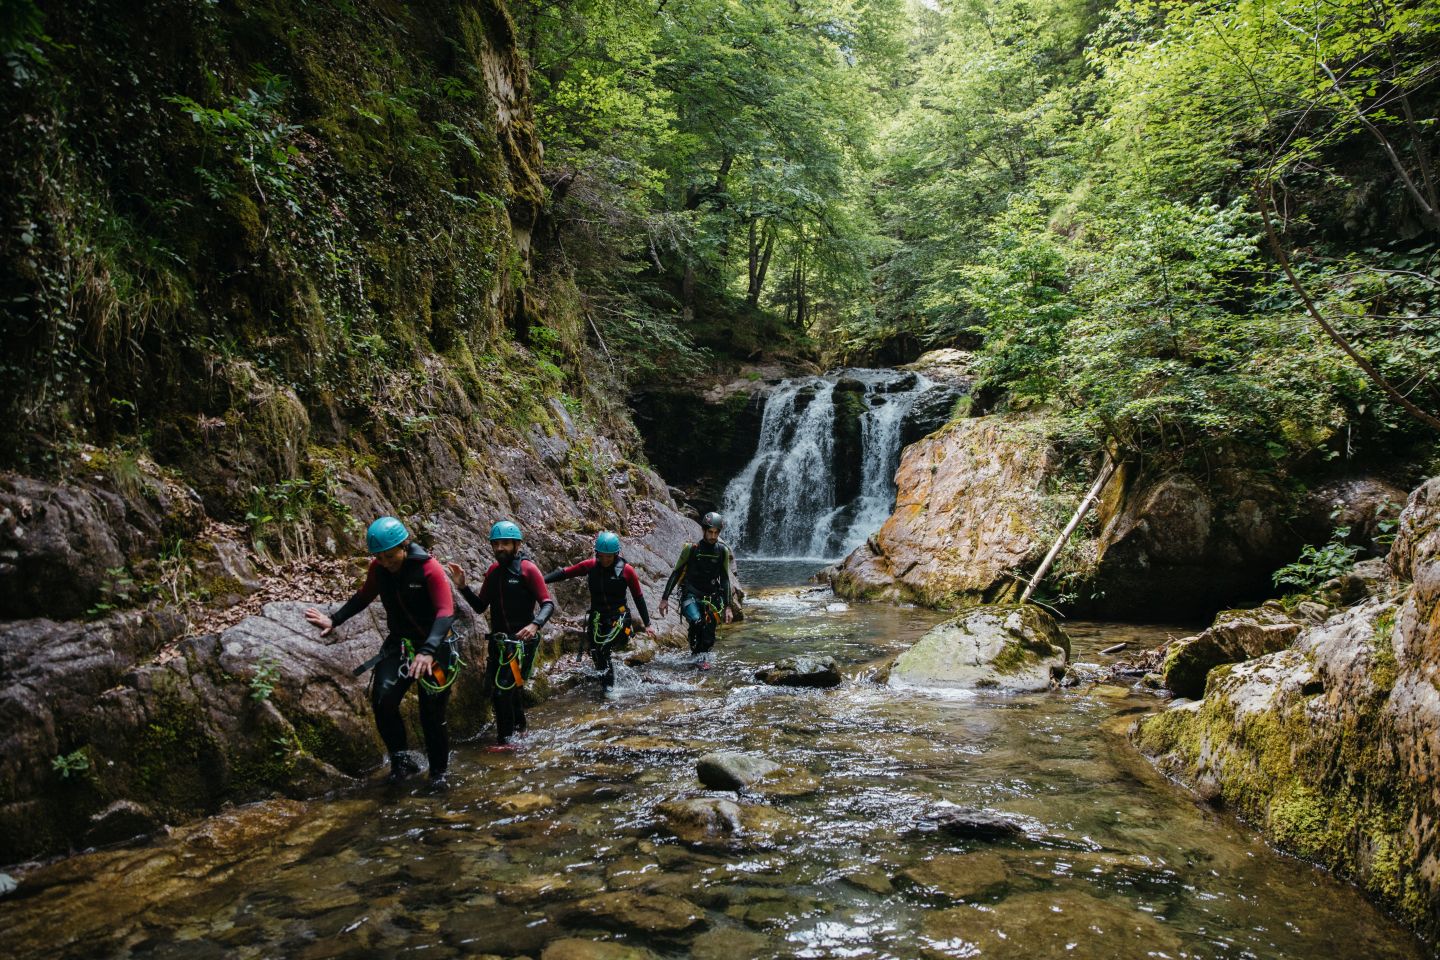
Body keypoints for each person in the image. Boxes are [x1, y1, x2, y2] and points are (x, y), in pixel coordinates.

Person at [304, 516, 458, 790]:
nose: (386, 562)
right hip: (399, 645)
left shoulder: (429, 569)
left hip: (434, 647)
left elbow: (446, 612)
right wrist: (334, 619)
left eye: (390, 556)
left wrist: (427, 651)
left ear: (404, 545)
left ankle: (438, 774)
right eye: (380, 557)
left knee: (430, 713)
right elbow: (364, 596)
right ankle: (402, 762)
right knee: (383, 700)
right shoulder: (379, 569)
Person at [448, 520, 554, 751]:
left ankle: (506, 741)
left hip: (520, 643)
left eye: (505, 543)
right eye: (496, 544)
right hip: (500, 644)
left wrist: (535, 625)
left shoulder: (528, 569)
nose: (499, 548)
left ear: (517, 545)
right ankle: (521, 730)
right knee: (508, 688)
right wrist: (463, 587)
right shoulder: (494, 572)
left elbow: (547, 604)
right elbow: (479, 606)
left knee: (501, 690)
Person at [544, 531, 656, 692]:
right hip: (597, 617)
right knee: (596, 652)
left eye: (609, 557)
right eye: (601, 556)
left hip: (619, 617)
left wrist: (648, 624)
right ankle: (606, 682)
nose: (604, 560)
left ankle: (610, 690)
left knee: (603, 649)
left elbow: (638, 597)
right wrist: (541, 580)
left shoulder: (627, 570)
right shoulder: (590, 565)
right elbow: (565, 573)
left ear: (616, 554)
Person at [659, 511, 734, 670]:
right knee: (697, 621)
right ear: (704, 531)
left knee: (709, 637)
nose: (713, 536)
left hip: (712, 597)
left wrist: (728, 606)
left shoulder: (722, 551)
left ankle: (699, 658)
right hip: (691, 594)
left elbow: (726, 579)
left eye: (716, 533)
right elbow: (676, 572)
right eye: (710, 532)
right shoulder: (691, 549)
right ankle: (697, 658)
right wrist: (665, 599)